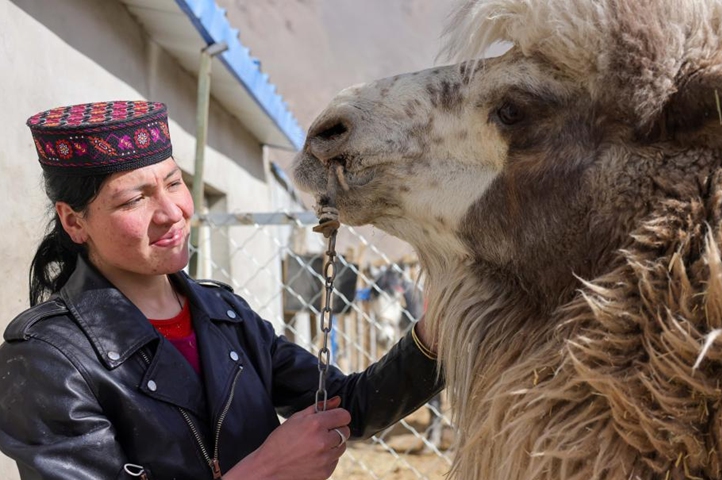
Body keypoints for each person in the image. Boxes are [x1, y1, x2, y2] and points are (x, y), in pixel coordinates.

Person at [0, 101, 442, 480]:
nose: (172, 212)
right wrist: (267, 469)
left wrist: (438, 332)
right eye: (134, 199)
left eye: (174, 183)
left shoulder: (224, 315)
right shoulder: (45, 360)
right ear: (74, 221)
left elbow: (352, 407)